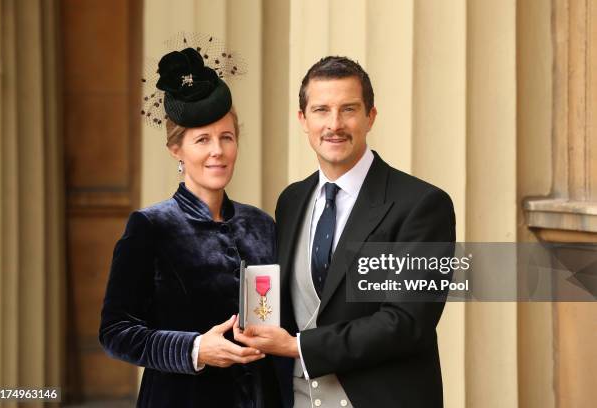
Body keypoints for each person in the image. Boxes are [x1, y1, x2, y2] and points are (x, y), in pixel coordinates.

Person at [234, 56, 456, 407]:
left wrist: (297, 347)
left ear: (370, 117)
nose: (334, 125)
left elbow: (407, 322)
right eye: (321, 110)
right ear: (303, 120)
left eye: (348, 109)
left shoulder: (423, 205)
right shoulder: (291, 200)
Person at [99, 46, 282, 407]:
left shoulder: (262, 225)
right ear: (176, 149)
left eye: (227, 137)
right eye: (202, 139)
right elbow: (114, 332)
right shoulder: (150, 227)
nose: (218, 151)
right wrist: (194, 349)